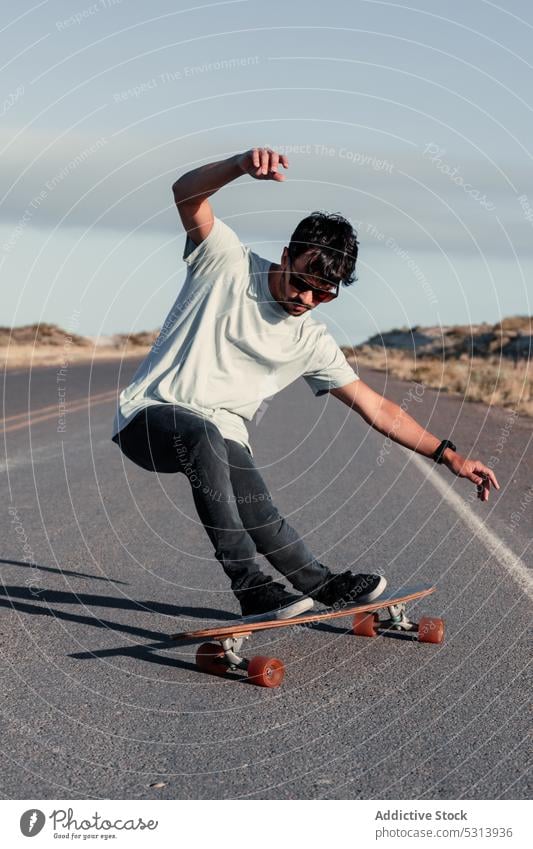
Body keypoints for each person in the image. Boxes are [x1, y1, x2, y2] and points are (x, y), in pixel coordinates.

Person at [111, 146, 499, 621]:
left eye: (324, 294)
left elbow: (378, 409)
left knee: (255, 497)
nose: (308, 299)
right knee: (205, 435)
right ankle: (250, 586)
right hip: (150, 419)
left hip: (217, 436)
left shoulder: (312, 341)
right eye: (302, 283)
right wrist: (238, 166)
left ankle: (320, 585)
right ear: (286, 256)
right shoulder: (224, 261)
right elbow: (185, 194)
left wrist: (450, 455)